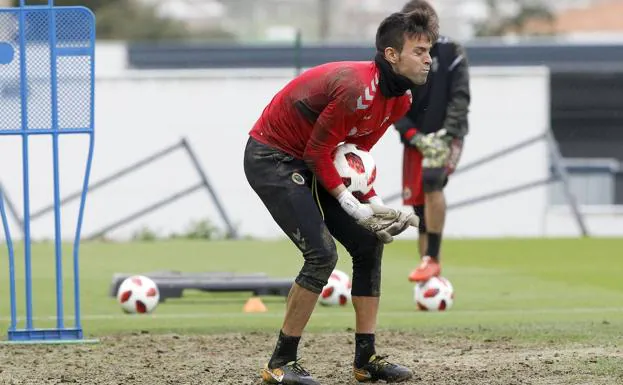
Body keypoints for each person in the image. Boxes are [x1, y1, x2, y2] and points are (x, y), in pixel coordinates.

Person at [243, 9, 438, 385]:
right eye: (419, 50)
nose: (428, 58)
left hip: (311, 160)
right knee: (322, 255)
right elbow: (318, 154)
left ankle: (366, 361)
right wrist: (353, 206)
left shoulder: (400, 101)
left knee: (367, 245)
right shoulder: (355, 87)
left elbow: (351, 157)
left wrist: (375, 204)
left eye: (429, 50)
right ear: (392, 55)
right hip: (272, 157)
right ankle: (280, 363)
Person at [394, 0, 470, 283]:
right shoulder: (397, 56)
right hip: (416, 137)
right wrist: (413, 136)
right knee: (418, 209)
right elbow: (392, 101)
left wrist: (445, 135)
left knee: (432, 179)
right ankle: (427, 281)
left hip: (447, 136)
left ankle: (433, 258)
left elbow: (460, 98)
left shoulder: (452, 52)